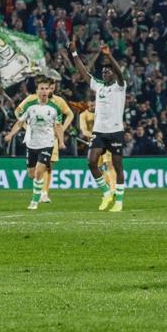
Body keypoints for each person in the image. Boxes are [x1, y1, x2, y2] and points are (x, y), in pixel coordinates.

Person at [68, 42, 127, 212]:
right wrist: (74, 53)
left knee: (117, 166)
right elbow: (83, 72)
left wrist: (108, 56)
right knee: (91, 162)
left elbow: (120, 73)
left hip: (115, 131)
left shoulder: (120, 86)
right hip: (100, 131)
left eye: (108, 71)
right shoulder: (98, 86)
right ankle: (107, 193)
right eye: (103, 71)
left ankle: (119, 201)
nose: (105, 72)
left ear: (113, 74)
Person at [3, 77, 66, 210]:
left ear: (50, 91)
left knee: (39, 172)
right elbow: (19, 122)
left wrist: (61, 141)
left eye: (46, 88)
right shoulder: (29, 106)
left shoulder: (55, 108)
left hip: (47, 143)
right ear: (37, 91)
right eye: (41, 88)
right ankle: (39, 192)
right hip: (31, 144)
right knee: (32, 174)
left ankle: (35, 200)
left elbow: (58, 126)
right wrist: (10, 134)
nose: (44, 91)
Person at [39, 70, 75, 204]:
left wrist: (62, 130)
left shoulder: (59, 101)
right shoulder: (35, 99)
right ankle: (38, 189)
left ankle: (44, 193)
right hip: (37, 136)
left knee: (48, 165)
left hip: (51, 138)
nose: (51, 89)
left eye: (53, 87)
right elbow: (22, 113)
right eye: (49, 87)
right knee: (36, 166)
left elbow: (70, 114)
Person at [77, 97, 117, 192]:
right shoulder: (83, 115)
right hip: (95, 144)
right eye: (91, 104)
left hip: (106, 141)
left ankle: (113, 188)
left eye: (95, 103)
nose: (93, 105)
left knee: (109, 164)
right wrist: (95, 137)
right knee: (97, 167)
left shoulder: (102, 113)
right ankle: (108, 186)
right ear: (87, 103)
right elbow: (84, 131)